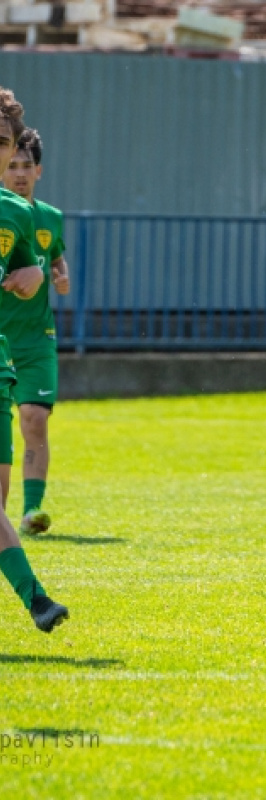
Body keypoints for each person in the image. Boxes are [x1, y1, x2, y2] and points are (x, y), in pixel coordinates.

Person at [0, 87, 68, 633]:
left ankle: (36, 599)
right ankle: (36, 599)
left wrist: (37, 276)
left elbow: (32, 268)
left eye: (5, 145)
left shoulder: (21, 215)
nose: (7, 162)